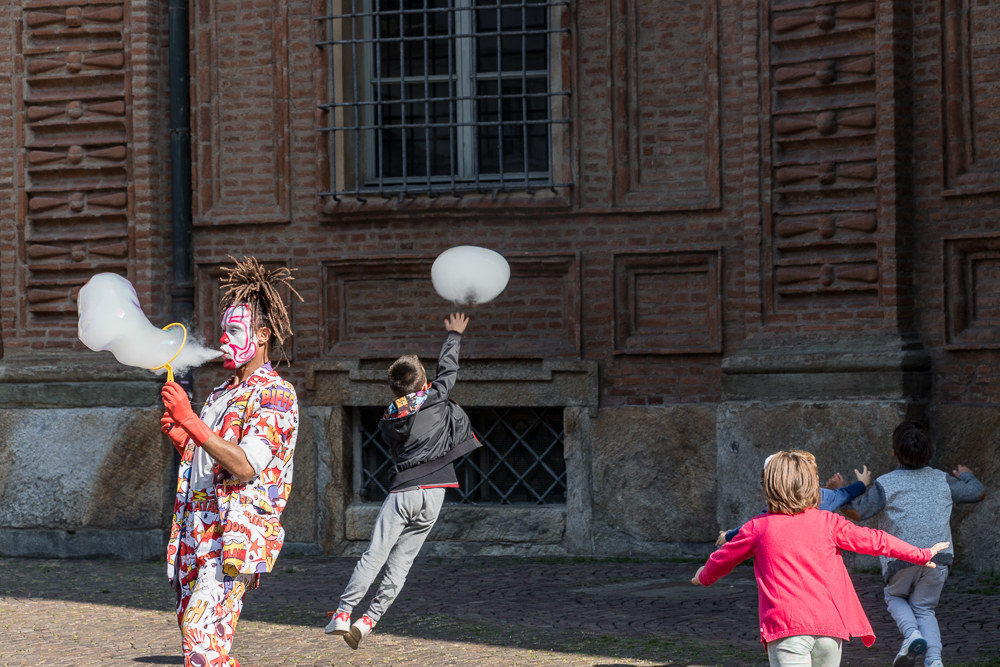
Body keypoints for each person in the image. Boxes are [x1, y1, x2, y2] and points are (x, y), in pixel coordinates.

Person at [160, 256, 302, 667]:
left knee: (200, 643)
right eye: (224, 331)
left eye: (235, 331)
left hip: (231, 531)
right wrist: (184, 440)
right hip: (194, 525)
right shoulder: (221, 392)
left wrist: (191, 421)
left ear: (263, 335)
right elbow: (213, 461)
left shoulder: (275, 395)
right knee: (199, 640)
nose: (224, 340)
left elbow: (244, 467)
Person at [692, 450, 949, 667]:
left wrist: (702, 577)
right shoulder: (829, 522)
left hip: (787, 629)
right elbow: (876, 540)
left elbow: (721, 560)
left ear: (768, 487)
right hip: (830, 630)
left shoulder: (757, 528)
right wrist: (920, 554)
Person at [325, 312, 481, 649]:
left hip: (404, 491)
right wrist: (454, 334)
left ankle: (343, 612)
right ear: (425, 382)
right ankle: (369, 621)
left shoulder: (390, 418)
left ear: (394, 388)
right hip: (435, 493)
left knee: (375, 555)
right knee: (402, 562)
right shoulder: (436, 397)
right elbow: (448, 368)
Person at [846, 422, 985, 667]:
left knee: (894, 597)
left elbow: (858, 512)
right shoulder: (942, 479)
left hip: (901, 557)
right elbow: (977, 492)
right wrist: (965, 475)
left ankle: (911, 634)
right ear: (930, 451)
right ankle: (934, 661)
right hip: (938, 558)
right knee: (924, 608)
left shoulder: (886, 483)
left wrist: (842, 492)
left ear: (894, 452)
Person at [717, 460, 873, 546]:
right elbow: (845, 493)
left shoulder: (771, 514)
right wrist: (862, 483)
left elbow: (749, 527)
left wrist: (728, 535)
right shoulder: (823, 497)